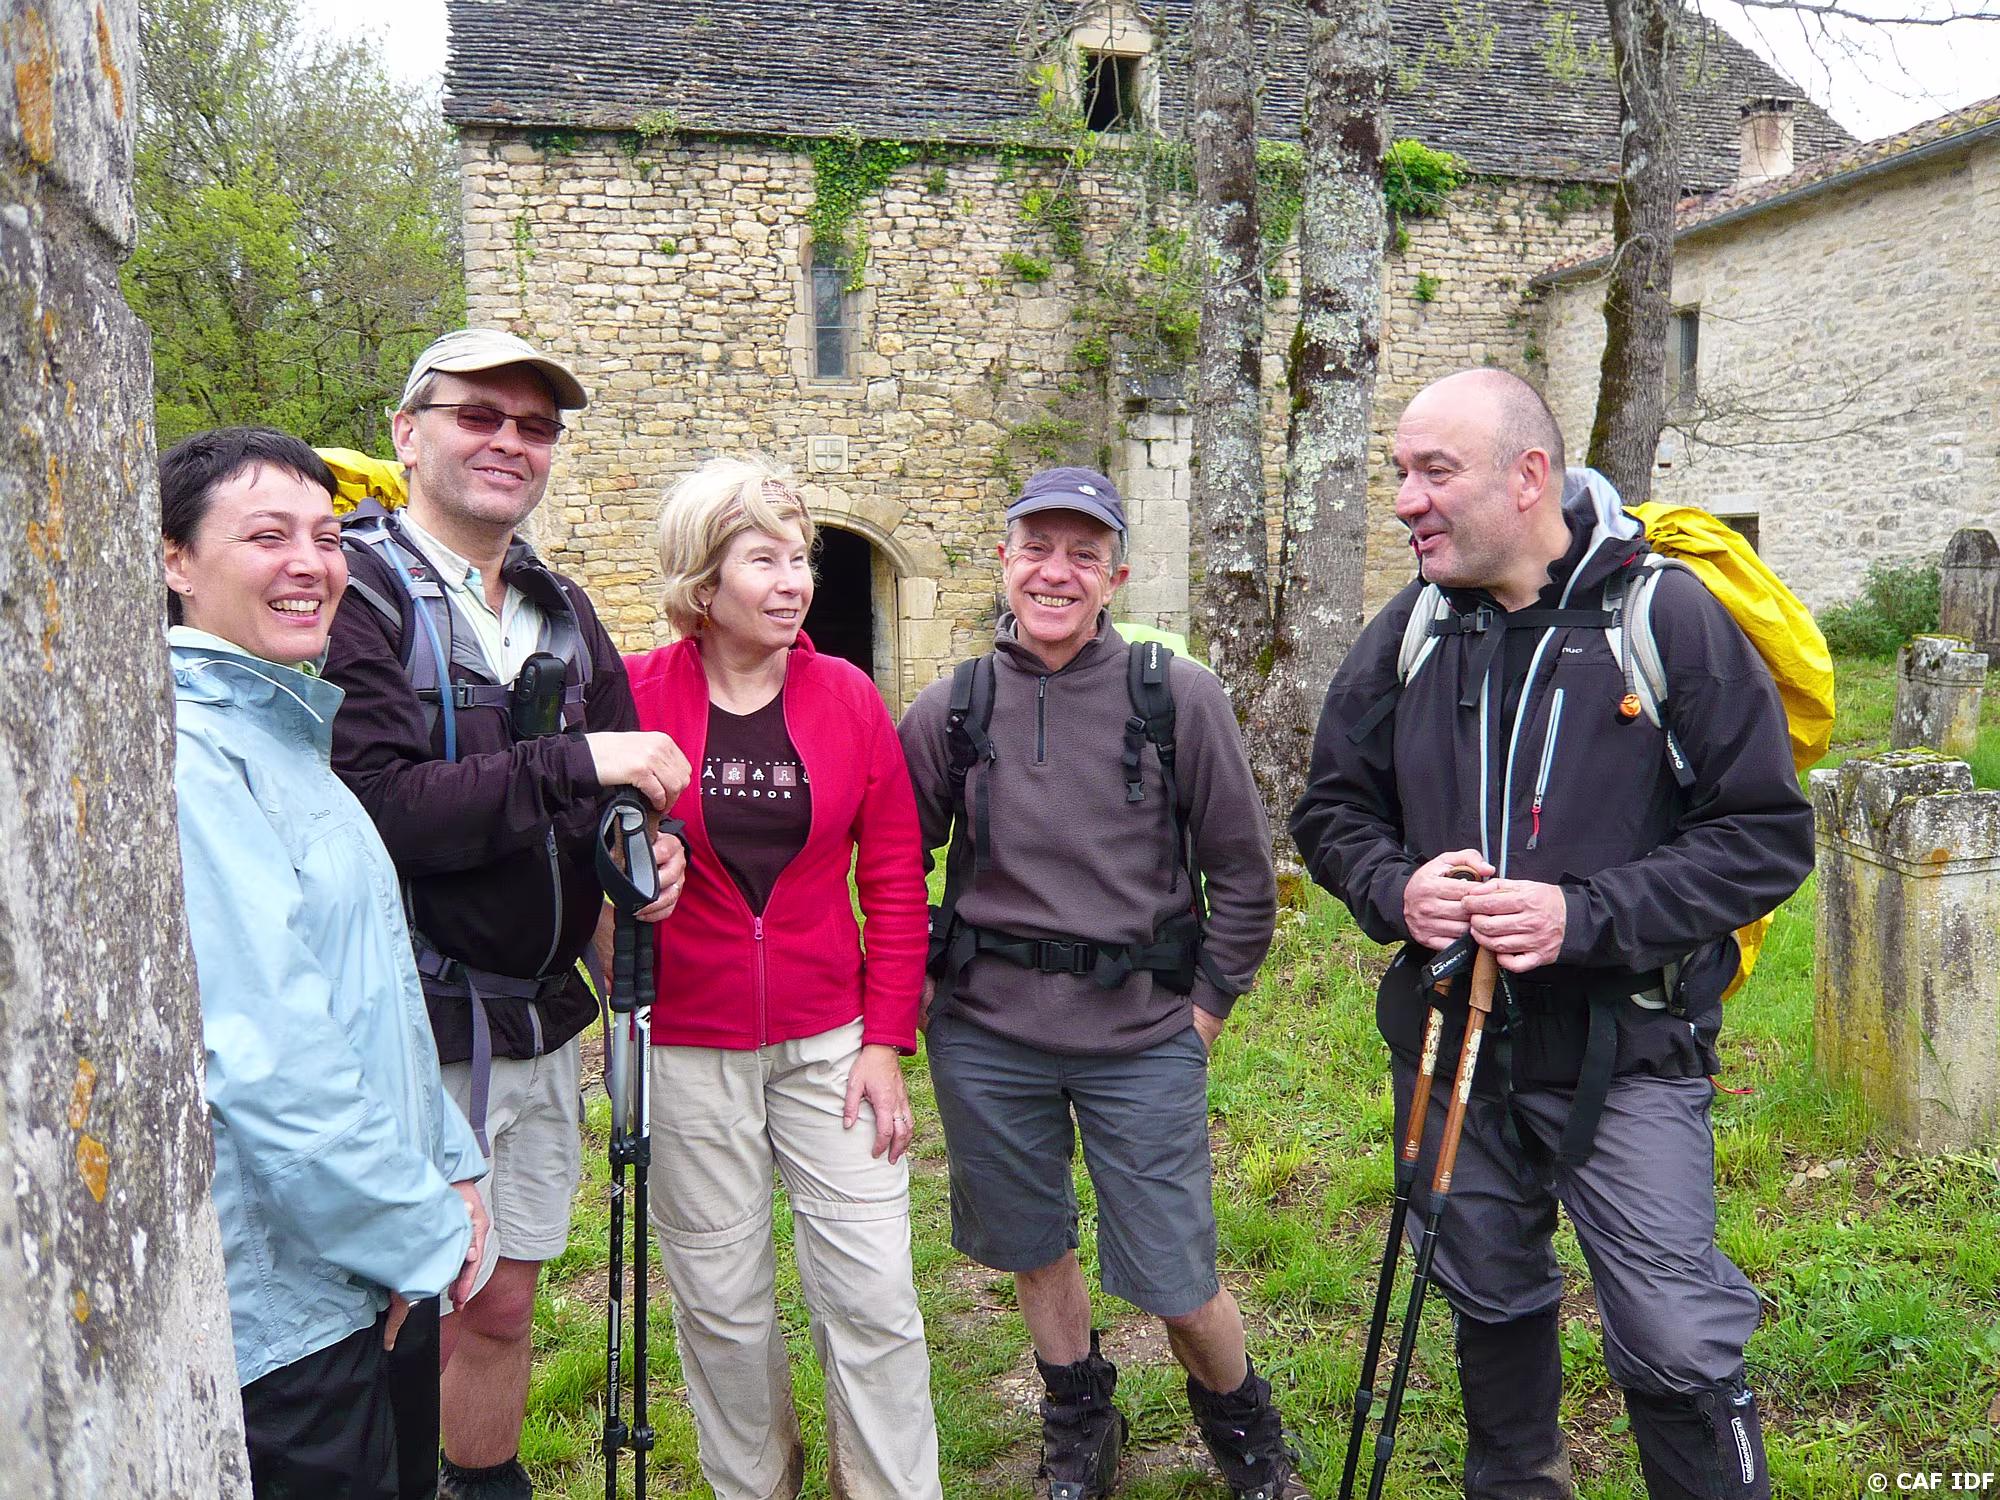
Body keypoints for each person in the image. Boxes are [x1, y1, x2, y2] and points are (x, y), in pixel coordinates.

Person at [1290, 369, 1815, 1500]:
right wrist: (1396, 890)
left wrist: (1583, 914)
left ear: (1527, 476)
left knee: (1675, 1333)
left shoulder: (1662, 618)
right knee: (1481, 1282)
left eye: (1434, 472)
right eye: (1399, 473)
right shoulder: (1414, 627)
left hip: (1625, 1049)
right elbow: (1330, 809)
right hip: (1449, 1038)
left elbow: (1765, 837)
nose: (1404, 500)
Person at [322, 330, 690, 1500]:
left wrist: (650, 854)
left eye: (534, 427)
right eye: (477, 416)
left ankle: (482, 1484)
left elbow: (620, 791)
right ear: (407, 433)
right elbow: (378, 809)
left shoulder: (557, 605)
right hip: (408, 1027)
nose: (508, 442)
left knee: (503, 1297)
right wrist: (577, 762)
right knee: (402, 1308)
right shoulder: (355, 590)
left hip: (534, 1021)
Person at [898, 468, 1300, 1500]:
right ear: (1004, 561)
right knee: (1034, 1245)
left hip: (1142, 1034)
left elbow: (1243, 874)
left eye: (1084, 555)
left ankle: (1244, 1430)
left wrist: (1203, 1013)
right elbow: (894, 864)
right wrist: (917, 995)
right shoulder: (954, 707)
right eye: (1037, 548)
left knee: (1176, 1276)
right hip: (989, 1035)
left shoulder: (1176, 697)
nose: (1056, 572)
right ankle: (1078, 1414)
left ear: (1114, 577)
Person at [163, 427, 491, 1499]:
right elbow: (267, 1055)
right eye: (268, 536)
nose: (310, 563)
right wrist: (414, 1232)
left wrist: (448, 1160)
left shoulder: (290, 738)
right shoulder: (196, 758)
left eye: (328, 535)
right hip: (293, 1312)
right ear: (175, 561)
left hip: (368, 1261)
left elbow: (372, 991)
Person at [624, 454, 942, 1500]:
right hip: (686, 1043)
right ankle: (754, 1482)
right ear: (703, 578)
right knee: (721, 1301)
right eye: (763, 559)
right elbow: (582, 851)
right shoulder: (634, 694)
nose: (793, 580)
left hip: (830, 1042)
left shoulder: (847, 697)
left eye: (799, 558)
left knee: (873, 1291)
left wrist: (885, 1041)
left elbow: (893, 877)